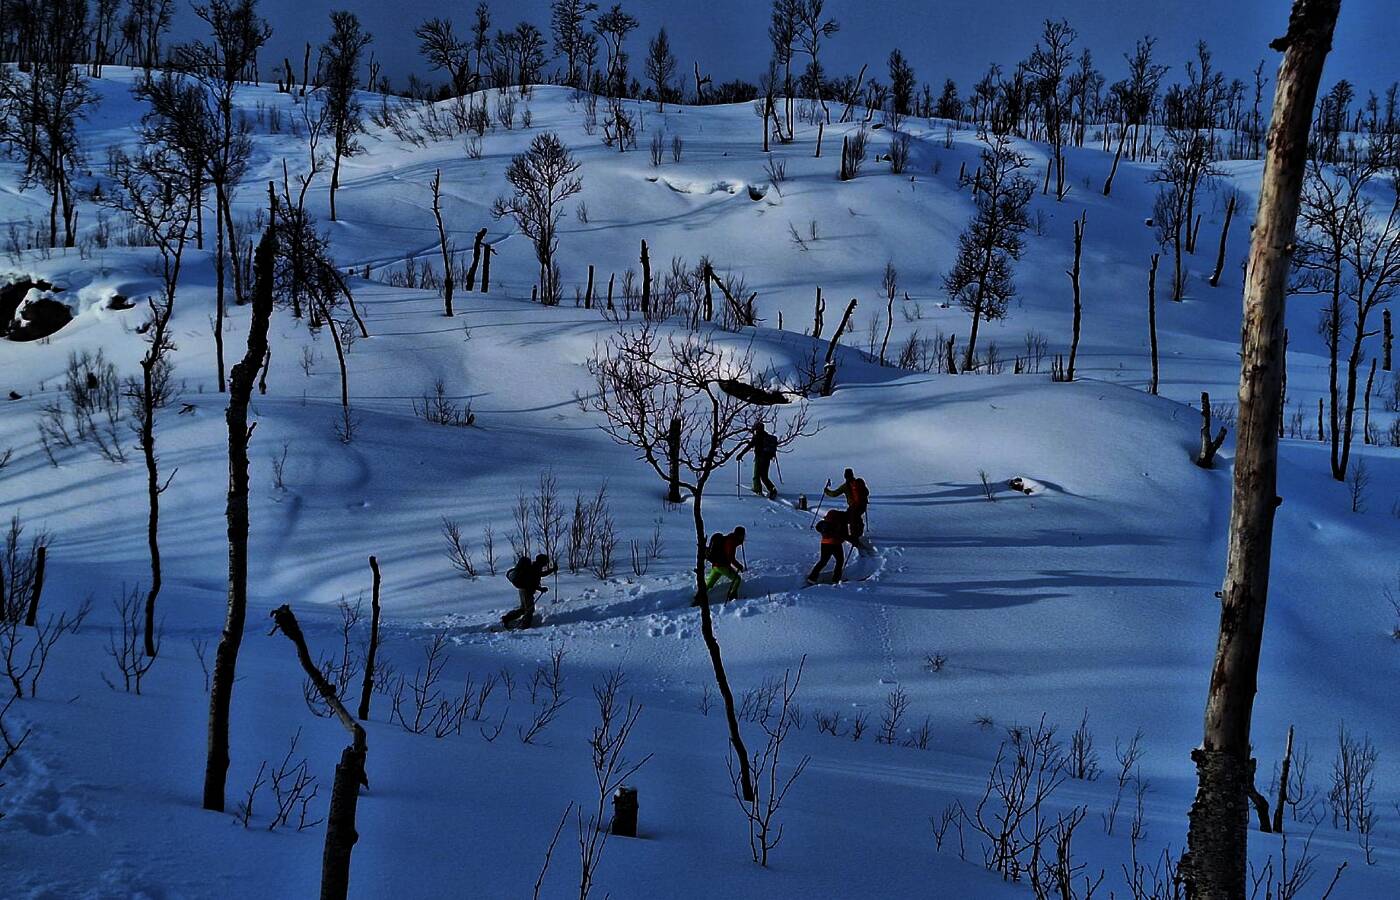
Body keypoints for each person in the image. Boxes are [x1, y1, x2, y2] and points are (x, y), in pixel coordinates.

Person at [502, 553, 557, 630]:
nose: (546, 563)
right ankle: (525, 626)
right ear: (542, 561)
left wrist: (552, 570)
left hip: (523, 589)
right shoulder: (535, 568)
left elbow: (541, 574)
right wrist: (541, 589)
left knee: (524, 609)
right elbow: (531, 583)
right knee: (529, 610)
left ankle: (507, 618)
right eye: (546, 562)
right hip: (526, 590)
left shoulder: (535, 567)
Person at [823, 468, 873, 554]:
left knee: (850, 519)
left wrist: (826, 491)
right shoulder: (860, 482)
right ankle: (856, 535)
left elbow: (834, 494)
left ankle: (854, 538)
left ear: (845, 476)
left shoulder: (845, 486)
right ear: (853, 474)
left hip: (853, 507)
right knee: (855, 518)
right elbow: (867, 493)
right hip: (862, 507)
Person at [696, 526, 746, 604]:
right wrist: (739, 566)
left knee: (709, 584)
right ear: (740, 535)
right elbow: (730, 558)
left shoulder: (728, 539)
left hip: (716, 566)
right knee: (737, 579)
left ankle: (698, 598)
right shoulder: (731, 542)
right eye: (743, 535)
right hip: (722, 566)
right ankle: (732, 597)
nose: (744, 537)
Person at [807, 508, 849, 584]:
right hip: (835, 543)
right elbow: (844, 535)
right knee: (840, 560)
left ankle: (812, 578)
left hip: (824, 543)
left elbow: (819, 528)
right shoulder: (840, 521)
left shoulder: (827, 519)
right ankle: (835, 579)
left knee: (823, 561)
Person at [742, 421, 780, 499]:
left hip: (760, 457)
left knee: (756, 475)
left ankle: (757, 490)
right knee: (764, 476)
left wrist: (741, 454)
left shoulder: (757, 437)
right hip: (767, 458)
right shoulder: (766, 436)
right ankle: (772, 489)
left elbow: (749, 446)